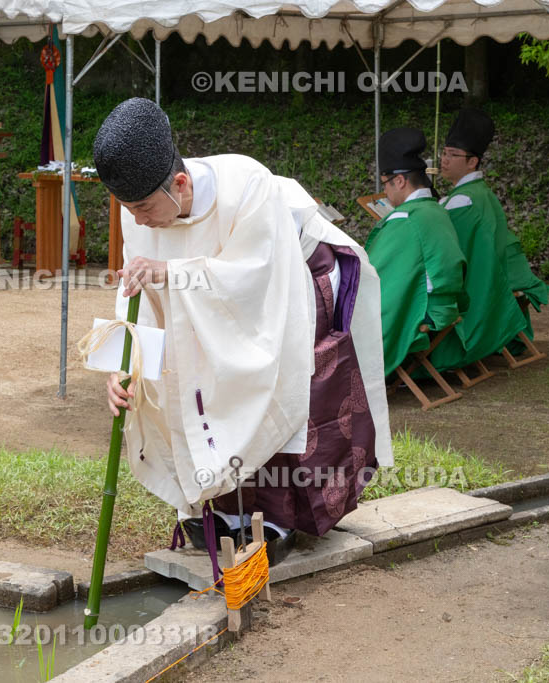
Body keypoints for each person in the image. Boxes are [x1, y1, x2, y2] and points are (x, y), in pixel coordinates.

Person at [94, 98, 392, 565]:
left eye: (143, 207)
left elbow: (256, 279)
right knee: (184, 378)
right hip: (211, 303)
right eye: (126, 209)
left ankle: (277, 515)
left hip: (296, 281)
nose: (137, 221)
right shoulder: (146, 214)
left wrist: (172, 274)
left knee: (262, 376)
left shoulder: (247, 185)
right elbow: (140, 304)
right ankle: (219, 507)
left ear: (179, 184)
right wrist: (124, 368)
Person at [439, 108, 549, 344]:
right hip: (495, 275)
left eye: (452, 155)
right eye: (444, 153)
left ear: (472, 162)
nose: (444, 160)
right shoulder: (479, 193)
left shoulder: (464, 200)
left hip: (478, 285)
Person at [364, 127, 470, 375]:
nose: (386, 193)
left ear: (399, 181)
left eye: (386, 185)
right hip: (446, 304)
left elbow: (378, 274)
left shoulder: (405, 219)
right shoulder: (435, 209)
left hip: (423, 309)